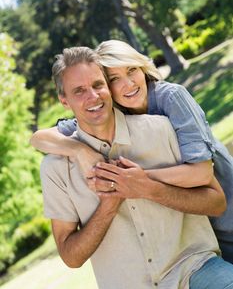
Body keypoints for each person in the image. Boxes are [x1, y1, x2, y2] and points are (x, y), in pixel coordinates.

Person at [39, 46, 233, 289]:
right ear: (64, 100)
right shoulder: (56, 168)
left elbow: (211, 189)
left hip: (201, 257)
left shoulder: (164, 120)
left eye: (98, 85)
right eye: (79, 91)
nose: (93, 96)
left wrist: (142, 184)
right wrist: (106, 201)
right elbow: (71, 257)